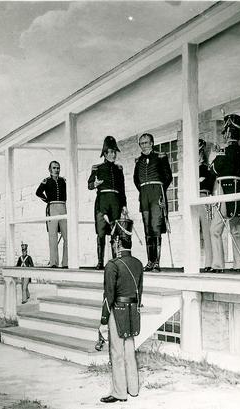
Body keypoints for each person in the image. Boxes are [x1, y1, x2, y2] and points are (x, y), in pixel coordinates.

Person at [99, 217, 143, 403]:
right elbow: (139, 292)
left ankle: (119, 393)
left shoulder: (112, 265)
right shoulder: (139, 263)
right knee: (129, 352)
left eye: (112, 241)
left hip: (116, 311)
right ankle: (133, 389)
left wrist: (103, 320)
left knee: (116, 354)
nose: (112, 245)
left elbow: (109, 295)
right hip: (132, 311)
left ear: (117, 242)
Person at [209, 114, 240, 273]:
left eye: (225, 132)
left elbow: (216, 170)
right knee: (236, 230)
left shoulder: (226, 151)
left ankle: (218, 265)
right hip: (237, 188)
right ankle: (238, 265)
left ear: (229, 133)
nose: (223, 135)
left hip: (224, 189)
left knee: (215, 230)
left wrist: (213, 157)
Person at [133, 133, 173, 272]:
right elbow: (136, 180)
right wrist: (144, 190)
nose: (144, 146)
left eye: (146, 143)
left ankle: (156, 262)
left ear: (152, 143)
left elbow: (168, 176)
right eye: (141, 143)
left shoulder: (160, 157)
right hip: (144, 194)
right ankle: (149, 261)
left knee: (156, 227)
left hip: (157, 193)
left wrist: (159, 190)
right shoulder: (138, 161)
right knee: (147, 229)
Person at [88, 136, 127, 269]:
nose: (113, 155)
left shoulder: (119, 169)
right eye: (110, 152)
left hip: (115, 202)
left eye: (114, 152)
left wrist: (124, 205)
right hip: (102, 203)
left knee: (115, 233)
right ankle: (100, 262)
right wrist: (95, 183)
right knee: (101, 233)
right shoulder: (97, 168)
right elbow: (89, 185)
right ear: (104, 153)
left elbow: (122, 189)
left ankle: (115, 261)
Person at [36, 160, 68, 268]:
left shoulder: (63, 181)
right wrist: (47, 200)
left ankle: (66, 263)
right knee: (53, 236)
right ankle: (54, 262)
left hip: (63, 207)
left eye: (58, 168)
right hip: (52, 207)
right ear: (50, 169)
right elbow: (38, 192)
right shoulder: (46, 181)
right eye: (54, 168)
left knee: (67, 236)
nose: (56, 170)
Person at [198, 139, 215, 272]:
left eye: (200, 152)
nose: (198, 155)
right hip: (192, 199)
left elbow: (209, 183)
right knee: (193, 231)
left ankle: (209, 262)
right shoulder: (192, 168)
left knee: (207, 232)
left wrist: (201, 181)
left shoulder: (206, 168)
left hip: (203, 198)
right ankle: (193, 262)